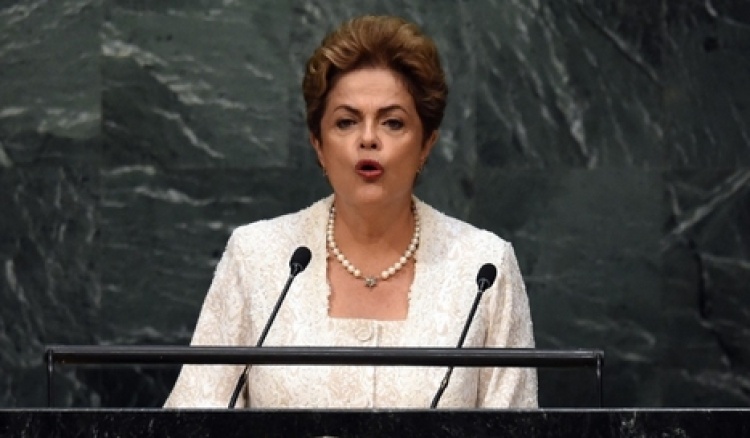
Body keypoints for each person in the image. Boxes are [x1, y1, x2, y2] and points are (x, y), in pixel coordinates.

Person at [164, 15, 537, 409]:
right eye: (346, 122)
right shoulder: (257, 257)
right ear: (319, 145)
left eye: (393, 123)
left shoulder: (484, 267)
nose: (368, 139)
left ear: (426, 144)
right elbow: (195, 419)